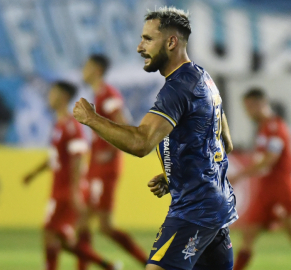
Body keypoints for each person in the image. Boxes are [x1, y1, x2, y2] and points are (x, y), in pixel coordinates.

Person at [73, 7, 238, 270]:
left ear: (171, 42)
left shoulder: (177, 88)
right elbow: (224, 142)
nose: (140, 47)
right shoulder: (204, 78)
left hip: (194, 212)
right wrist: (177, 174)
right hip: (215, 209)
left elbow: (141, 142)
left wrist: (91, 119)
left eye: (148, 39)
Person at [23, 81, 119, 270]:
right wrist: (33, 174)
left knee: (50, 234)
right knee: (62, 239)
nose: (49, 97)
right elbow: (55, 158)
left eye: (53, 93)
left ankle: (104, 265)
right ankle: (107, 265)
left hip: (67, 190)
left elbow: (78, 157)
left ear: (63, 97)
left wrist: (75, 190)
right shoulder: (58, 124)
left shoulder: (71, 126)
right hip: (59, 188)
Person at [231, 89, 291, 270]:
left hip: (282, 188)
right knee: (248, 235)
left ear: (260, 104)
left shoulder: (276, 127)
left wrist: (239, 175)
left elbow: (270, 160)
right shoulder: (264, 127)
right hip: (266, 189)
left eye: (249, 107)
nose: (247, 112)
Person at [77, 54, 148, 269]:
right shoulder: (98, 95)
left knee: (103, 226)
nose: (83, 70)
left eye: (87, 66)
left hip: (105, 168)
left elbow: (124, 124)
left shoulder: (108, 94)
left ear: (97, 69)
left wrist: (110, 150)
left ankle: (150, 263)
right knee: (82, 222)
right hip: (95, 168)